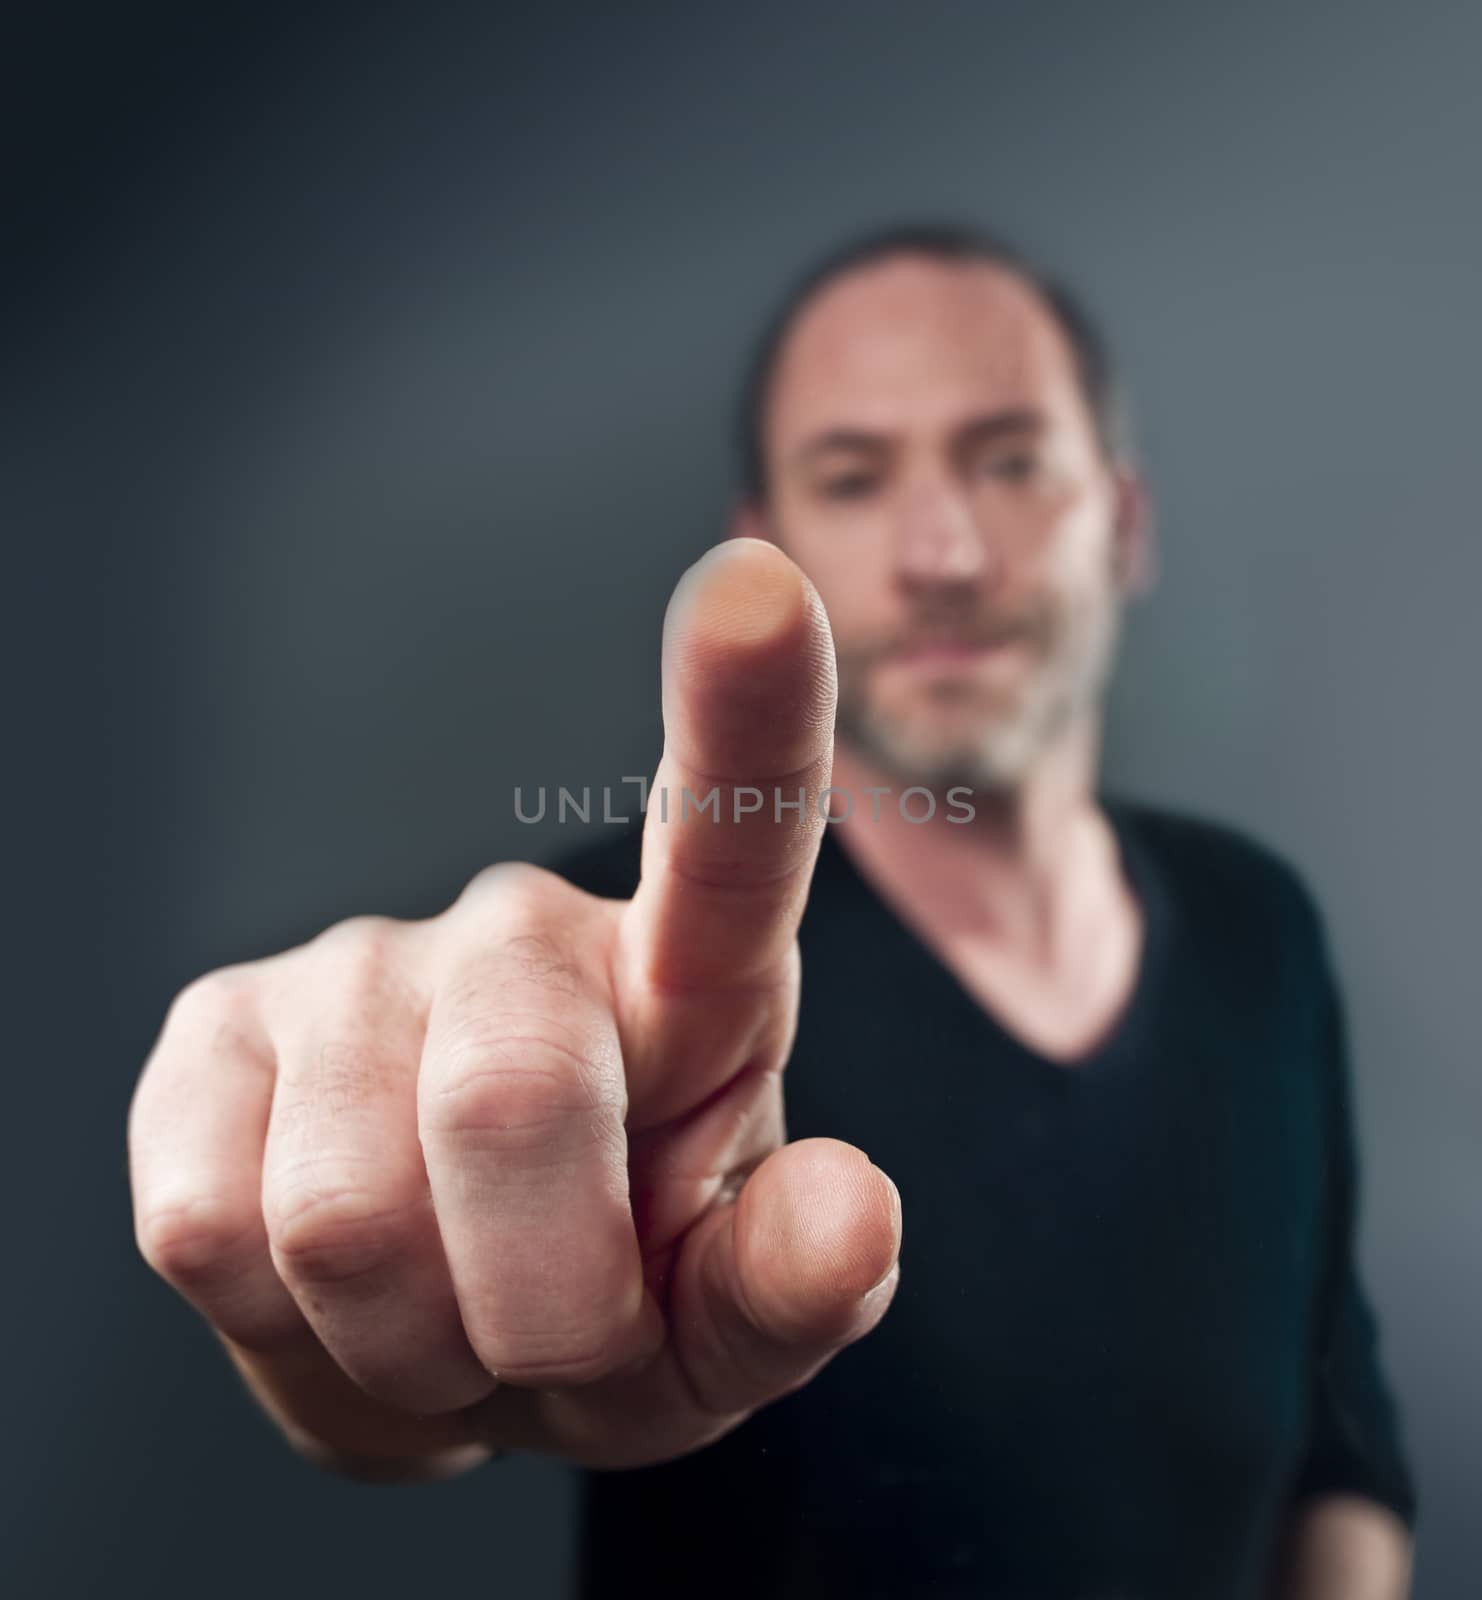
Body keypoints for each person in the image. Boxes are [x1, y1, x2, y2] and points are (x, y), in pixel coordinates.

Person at [127, 224, 1417, 1598]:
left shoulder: (1256, 923)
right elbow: (421, 1407)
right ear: (767, 543)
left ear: (1124, 521)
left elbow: (1336, 1430)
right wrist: (349, 1351)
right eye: (852, 479)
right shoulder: (631, 956)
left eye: (1009, 460)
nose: (942, 550)